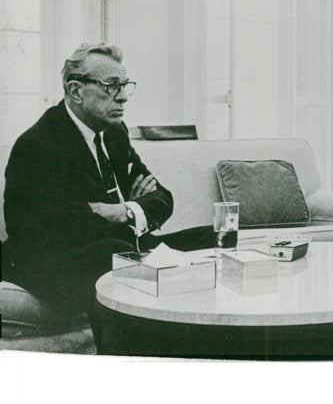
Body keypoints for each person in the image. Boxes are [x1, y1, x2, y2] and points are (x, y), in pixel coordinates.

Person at [1, 43, 215, 323]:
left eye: (125, 85)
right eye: (111, 86)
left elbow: (162, 197)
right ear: (76, 90)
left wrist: (124, 211)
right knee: (112, 250)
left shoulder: (114, 133)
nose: (124, 97)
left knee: (214, 236)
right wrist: (134, 211)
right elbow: (66, 226)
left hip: (121, 247)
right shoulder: (38, 145)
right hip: (55, 262)